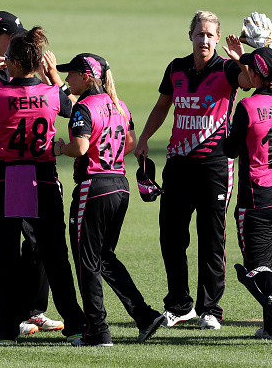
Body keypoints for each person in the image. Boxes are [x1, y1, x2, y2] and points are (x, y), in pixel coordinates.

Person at [0, 26, 86, 343]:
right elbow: (71, 109)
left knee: (4, 254)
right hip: (42, 178)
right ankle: (74, 321)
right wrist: (54, 76)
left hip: (5, 178)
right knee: (55, 254)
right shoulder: (51, 93)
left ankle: (7, 325)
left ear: (12, 64)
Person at [134, 10, 253, 330]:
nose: (204, 39)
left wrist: (241, 59)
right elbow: (162, 106)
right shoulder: (176, 68)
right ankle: (179, 305)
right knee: (171, 236)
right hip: (178, 164)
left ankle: (210, 309)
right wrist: (144, 138)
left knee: (211, 238)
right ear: (191, 36)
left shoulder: (228, 68)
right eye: (199, 34)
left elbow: (250, 81)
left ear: (217, 39)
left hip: (215, 164)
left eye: (209, 35)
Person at [55, 53, 166, 347]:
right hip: (120, 185)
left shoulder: (83, 107)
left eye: (71, 74)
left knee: (86, 262)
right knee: (105, 257)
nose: (67, 79)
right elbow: (130, 143)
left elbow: (79, 148)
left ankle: (98, 332)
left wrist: (59, 148)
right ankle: (144, 316)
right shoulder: (120, 105)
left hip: (93, 187)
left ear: (86, 77)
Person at [223, 20, 272, 344]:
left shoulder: (248, 106)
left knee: (257, 267)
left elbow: (229, 148)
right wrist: (266, 45)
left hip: (258, 200)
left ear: (255, 76)